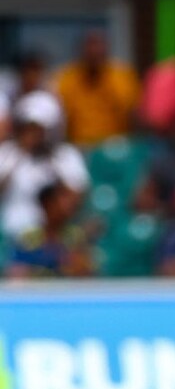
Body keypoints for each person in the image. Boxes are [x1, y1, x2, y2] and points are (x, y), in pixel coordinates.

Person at [0, 92, 89, 239]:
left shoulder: (66, 155)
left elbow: (76, 196)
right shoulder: (7, 152)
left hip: (50, 237)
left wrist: (53, 164)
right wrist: (19, 156)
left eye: (38, 129)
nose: (33, 134)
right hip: (10, 234)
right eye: (28, 127)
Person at [54, 30, 141, 146]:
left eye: (98, 46)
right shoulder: (66, 79)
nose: (94, 51)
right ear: (81, 50)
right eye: (90, 46)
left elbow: (136, 115)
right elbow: (57, 117)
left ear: (106, 50)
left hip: (115, 148)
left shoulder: (123, 77)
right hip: (78, 146)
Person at [4, 181, 94, 278]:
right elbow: (16, 274)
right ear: (45, 204)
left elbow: (85, 275)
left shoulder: (77, 236)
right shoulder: (28, 237)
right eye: (59, 201)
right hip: (34, 291)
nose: (66, 206)